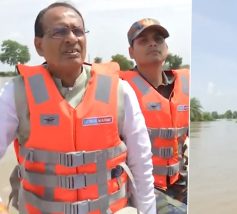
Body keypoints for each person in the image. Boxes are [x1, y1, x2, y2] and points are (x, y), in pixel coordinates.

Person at [0, 2, 156, 214]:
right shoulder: (16, 93)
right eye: (59, 31)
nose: (71, 38)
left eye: (78, 31)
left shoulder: (120, 90)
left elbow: (142, 164)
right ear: (38, 45)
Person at [119, 18, 189, 213]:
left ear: (166, 47)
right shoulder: (119, 90)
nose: (152, 43)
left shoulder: (185, 85)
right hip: (143, 187)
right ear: (131, 52)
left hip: (179, 180)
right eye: (143, 41)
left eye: (158, 39)